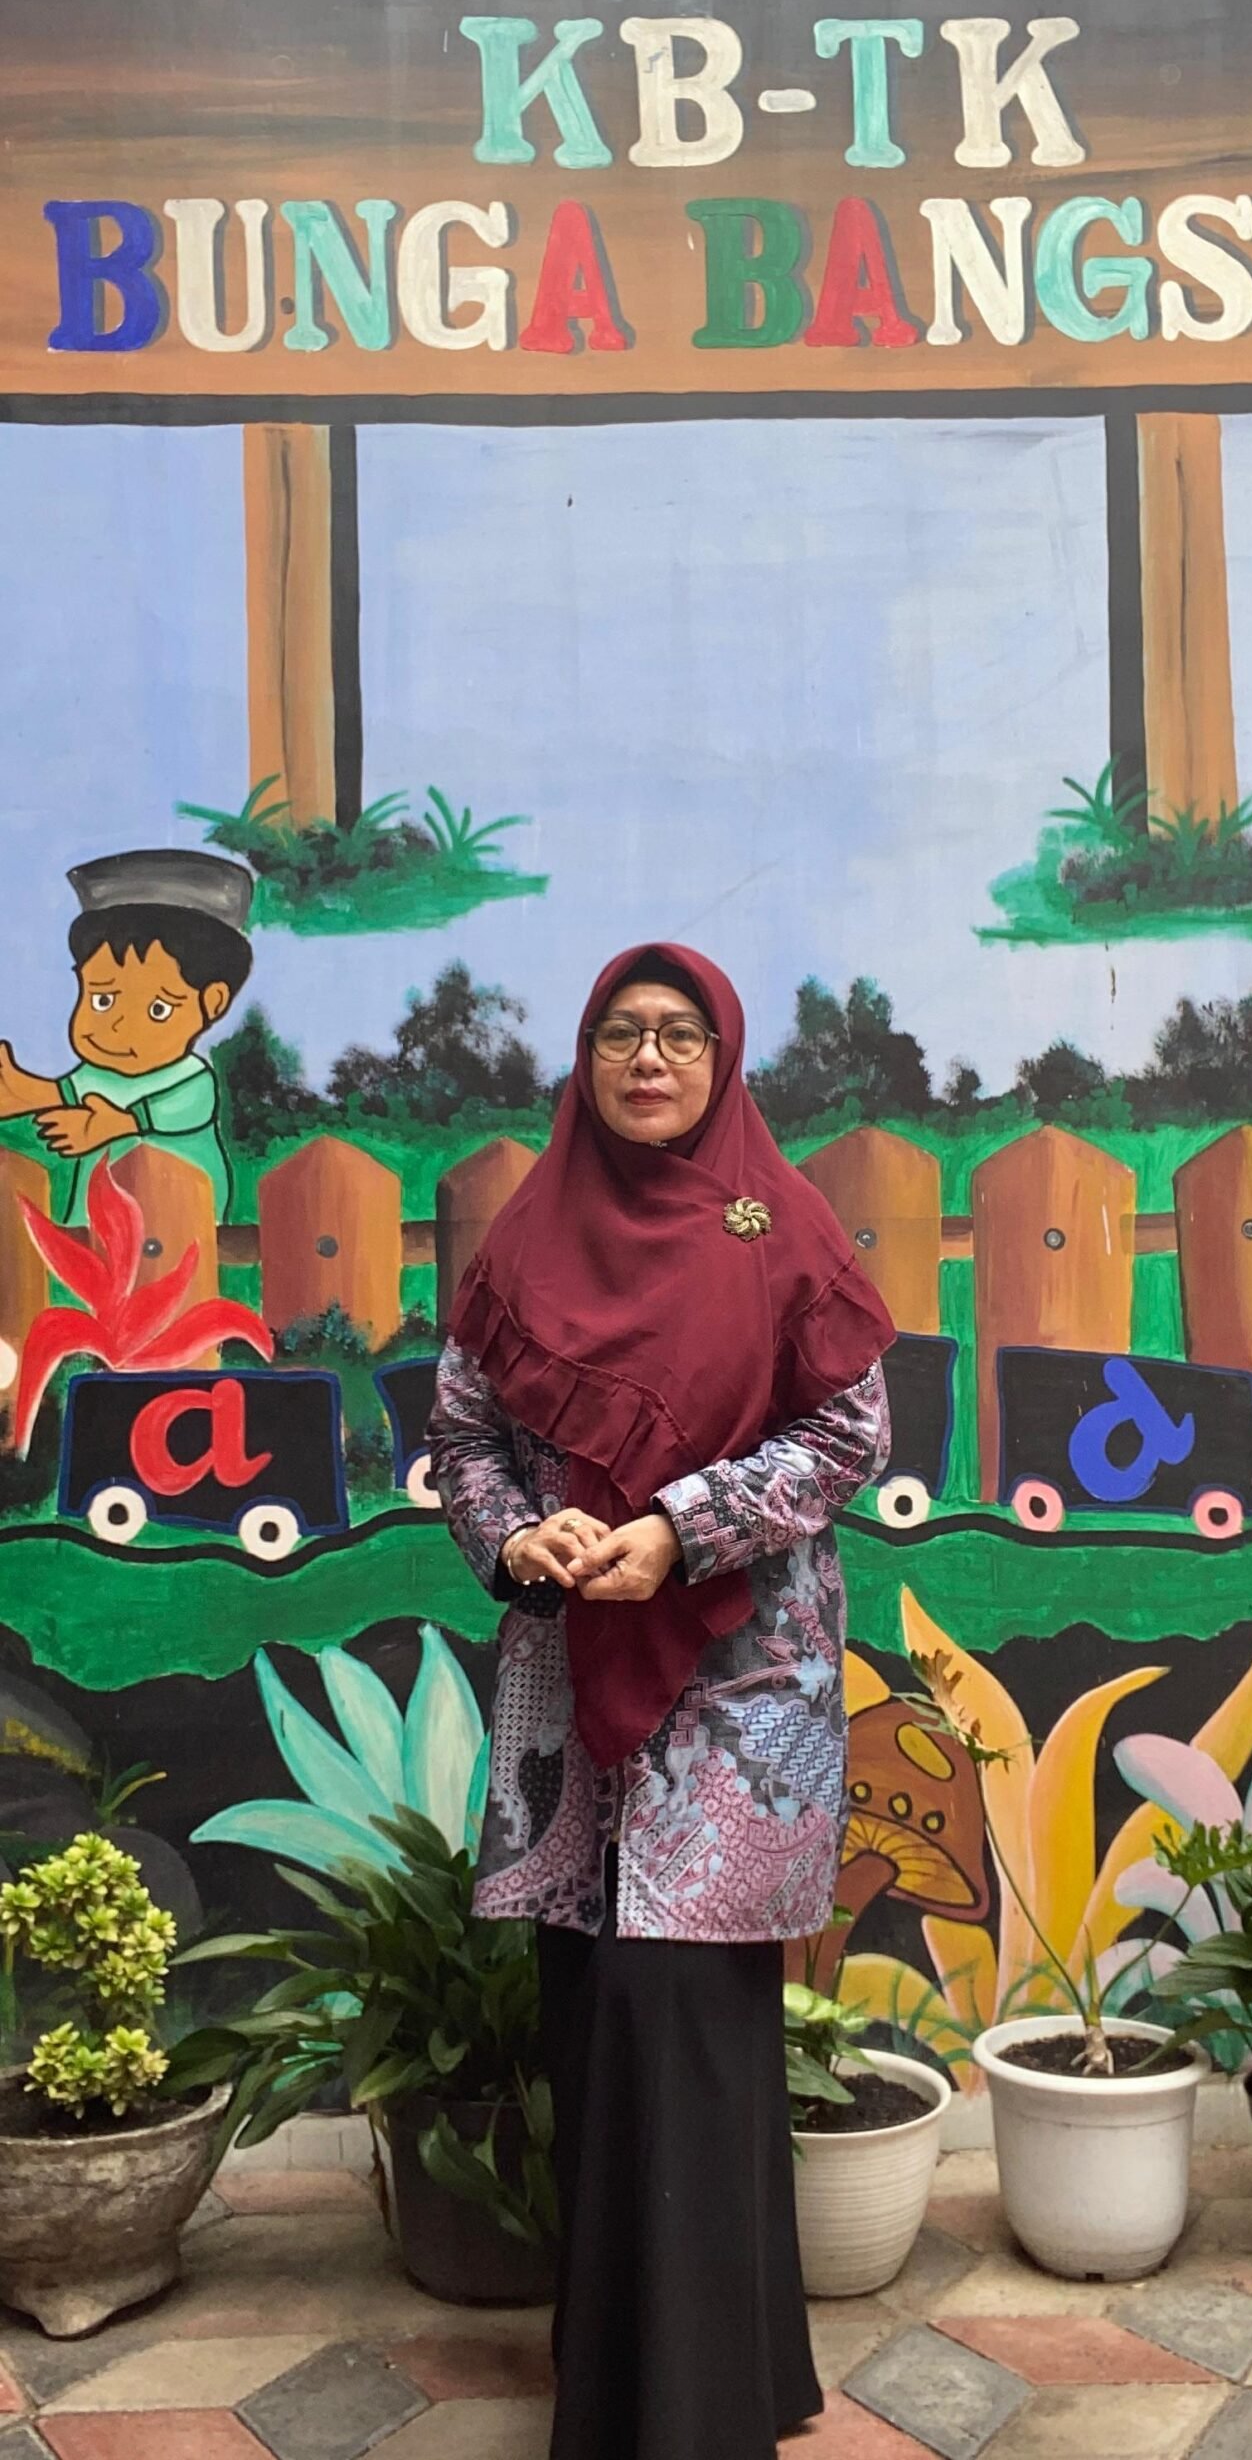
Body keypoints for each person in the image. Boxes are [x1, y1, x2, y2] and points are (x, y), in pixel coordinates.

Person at [428, 941, 894, 2460]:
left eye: (680, 1035)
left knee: (689, 2022)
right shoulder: (526, 1237)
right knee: (596, 2021)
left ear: (722, 1058)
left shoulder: (782, 1226)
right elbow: (464, 1438)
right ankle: (655, 2391)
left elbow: (849, 1434)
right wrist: (521, 1537)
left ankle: (701, 2411)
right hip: (576, 1676)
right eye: (621, 1033)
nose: (648, 1059)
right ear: (584, 1058)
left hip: (735, 1690)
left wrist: (682, 1528)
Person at [0, 848, 253, 1222]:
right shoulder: (97, 1074)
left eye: (158, 1009)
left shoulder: (192, 1078)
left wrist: (121, 1124)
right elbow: (68, 1091)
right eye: (102, 999)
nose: (117, 1026)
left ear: (212, 1002)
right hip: (98, 1216)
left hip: (178, 1212)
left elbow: (184, 1109)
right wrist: (24, 1091)